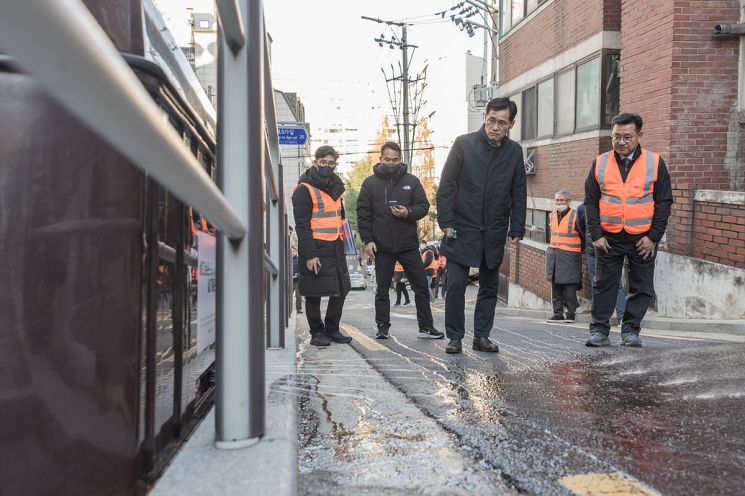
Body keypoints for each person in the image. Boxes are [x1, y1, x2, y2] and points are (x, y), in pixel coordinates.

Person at [437, 97, 527, 354]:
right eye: (491, 120)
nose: (495, 127)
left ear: (511, 124)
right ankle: (454, 336)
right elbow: (446, 186)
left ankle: (481, 337)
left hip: (494, 229)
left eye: (502, 122)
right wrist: (446, 221)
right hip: (460, 227)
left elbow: (518, 192)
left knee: (489, 286)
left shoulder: (513, 152)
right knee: (455, 285)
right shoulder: (463, 144)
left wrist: (517, 227)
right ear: (484, 117)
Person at [584, 113, 673, 348]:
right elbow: (590, 202)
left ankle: (631, 330)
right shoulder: (601, 162)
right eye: (616, 137)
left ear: (639, 135)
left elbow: (664, 202)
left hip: (642, 239)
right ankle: (600, 331)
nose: (620, 142)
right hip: (608, 238)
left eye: (627, 137)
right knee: (603, 284)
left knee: (641, 287)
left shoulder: (654, 162)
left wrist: (653, 237)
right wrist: (597, 235)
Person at [356, 141, 444, 340]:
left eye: (395, 160)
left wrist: (408, 212)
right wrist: (368, 240)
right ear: (380, 159)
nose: (391, 163)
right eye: (387, 159)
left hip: (408, 245)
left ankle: (426, 327)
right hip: (382, 246)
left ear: (400, 160)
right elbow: (363, 214)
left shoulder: (411, 181)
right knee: (382, 289)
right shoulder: (369, 184)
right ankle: (382, 327)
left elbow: (423, 205)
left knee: (421, 286)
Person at [292, 145, 353, 347]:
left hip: (335, 245)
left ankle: (332, 329)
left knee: (341, 288)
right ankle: (317, 332)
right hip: (315, 247)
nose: (327, 166)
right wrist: (309, 255)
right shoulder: (304, 189)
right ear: (315, 162)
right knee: (313, 291)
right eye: (323, 162)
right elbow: (302, 225)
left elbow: (339, 217)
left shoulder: (336, 187)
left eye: (331, 163)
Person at [576, 203, 626, 322]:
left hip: (608, 250)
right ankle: (601, 319)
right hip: (592, 251)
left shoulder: (612, 206)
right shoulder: (582, 208)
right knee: (597, 284)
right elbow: (581, 228)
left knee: (615, 282)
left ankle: (622, 316)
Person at [545, 191, 585, 323]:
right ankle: (557, 314)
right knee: (555, 286)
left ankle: (571, 314)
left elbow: (583, 235)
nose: (559, 203)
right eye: (557, 200)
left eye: (562, 200)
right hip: (554, 255)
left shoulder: (575, 215)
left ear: (569, 201)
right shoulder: (552, 215)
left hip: (570, 256)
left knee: (569, 287)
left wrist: (580, 251)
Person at [291, 246, 303, 314]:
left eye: (293, 251)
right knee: (288, 296)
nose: (292, 253)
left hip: (297, 280)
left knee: (298, 296)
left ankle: (299, 309)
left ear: (296, 252)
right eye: (291, 251)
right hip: (290, 280)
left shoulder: (299, 259)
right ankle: (287, 309)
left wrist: (298, 274)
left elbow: (301, 269)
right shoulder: (287, 259)